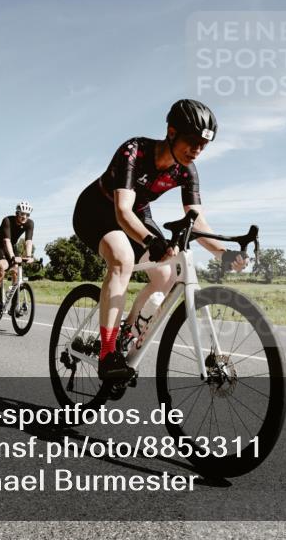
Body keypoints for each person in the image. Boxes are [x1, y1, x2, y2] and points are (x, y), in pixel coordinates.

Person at [72, 99, 247, 380]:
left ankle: (125, 334)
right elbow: (122, 211)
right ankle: (106, 353)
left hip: (137, 214)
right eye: (192, 140)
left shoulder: (186, 170)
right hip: (97, 210)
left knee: (166, 273)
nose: (197, 150)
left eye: (203, 145)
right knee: (122, 258)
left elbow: (196, 221)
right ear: (172, 131)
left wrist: (224, 254)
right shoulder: (135, 151)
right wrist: (150, 241)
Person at [0, 202, 35, 311]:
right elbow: (6, 240)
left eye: (27, 215)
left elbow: (28, 242)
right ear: (17, 213)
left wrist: (29, 255)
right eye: (22, 214)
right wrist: (12, 256)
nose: (24, 217)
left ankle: (14, 305)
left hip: (11, 246)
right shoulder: (7, 220)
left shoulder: (30, 223)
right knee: (2, 267)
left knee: (16, 271)